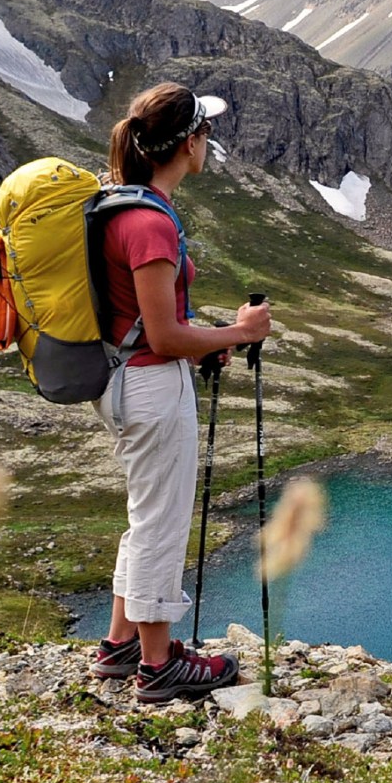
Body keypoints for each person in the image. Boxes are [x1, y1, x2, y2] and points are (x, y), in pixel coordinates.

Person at [85, 83, 273, 703]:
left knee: (145, 516)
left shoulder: (121, 207)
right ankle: (159, 666)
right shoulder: (149, 223)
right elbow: (163, 336)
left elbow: (150, 325)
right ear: (187, 143)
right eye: (205, 133)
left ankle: (121, 645)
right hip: (150, 385)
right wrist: (241, 331)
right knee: (161, 522)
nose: (209, 143)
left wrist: (207, 340)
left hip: (123, 379)